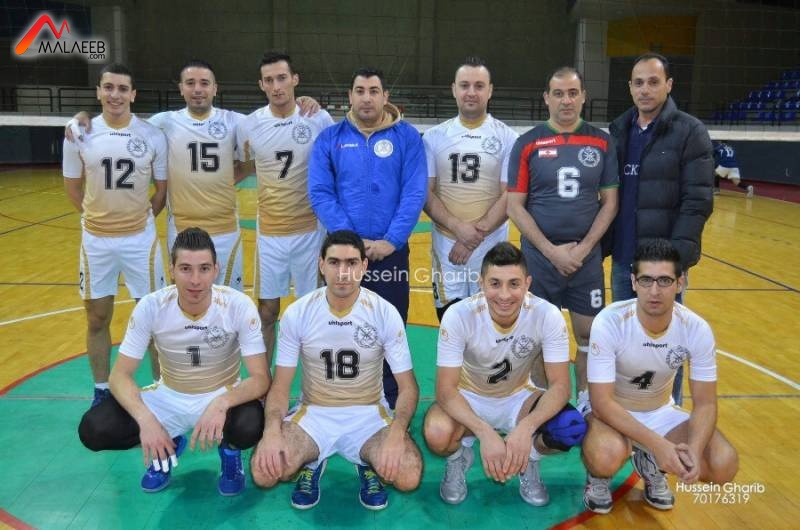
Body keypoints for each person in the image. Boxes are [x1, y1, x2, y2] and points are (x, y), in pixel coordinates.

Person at [77, 227, 271, 496]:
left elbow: (261, 378)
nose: (195, 280)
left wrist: (222, 403)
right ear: (171, 270)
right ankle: (167, 444)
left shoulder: (237, 305)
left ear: (216, 270)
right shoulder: (151, 306)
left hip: (220, 393)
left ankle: (230, 452)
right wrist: (147, 420)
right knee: (94, 429)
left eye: (204, 269)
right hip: (168, 397)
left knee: (251, 424)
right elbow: (119, 376)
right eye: (185, 269)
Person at [250, 230, 422, 511]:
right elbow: (280, 387)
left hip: (369, 414)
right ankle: (313, 460)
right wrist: (271, 430)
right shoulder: (299, 313)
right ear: (321, 265)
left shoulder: (383, 312)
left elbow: (408, 387)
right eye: (334, 262)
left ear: (364, 266)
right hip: (315, 413)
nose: (343, 273)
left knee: (409, 475)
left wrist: (396, 432)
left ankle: (365, 460)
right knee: (264, 472)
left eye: (351, 263)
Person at [581, 239, 738, 514]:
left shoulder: (696, 328)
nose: (654, 291)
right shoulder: (610, 321)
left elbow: (705, 404)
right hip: (610, 413)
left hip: (659, 412)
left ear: (680, 283)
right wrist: (659, 446)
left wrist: (693, 449)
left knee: (723, 464)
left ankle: (649, 461)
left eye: (665, 281)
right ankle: (599, 476)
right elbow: (602, 402)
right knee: (605, 456)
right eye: (646, 280)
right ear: (633, 282)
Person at [423, 242, 586, 506]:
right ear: (481, 283)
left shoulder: (546, 314)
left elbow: (560, 386)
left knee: (570, 427)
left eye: (514, 284)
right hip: (469, 397)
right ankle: (458, 458)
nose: (504, 295)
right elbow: (445, 390)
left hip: (518, 397)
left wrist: (527, 428)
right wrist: (484, 432)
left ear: (527, 283)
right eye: (495, 284)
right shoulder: (459, 315)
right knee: (436, 432)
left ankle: (528, 459)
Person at [308, 67, 427, 409]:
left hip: (390, 253)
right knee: (339, 325)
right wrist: (352, 244)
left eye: (374, 91)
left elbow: (414, 192)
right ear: (350, 96)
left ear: (385, 96)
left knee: (391, 327)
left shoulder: (408, 138)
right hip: (343, 256)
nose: (366, 98)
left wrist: (392, 240)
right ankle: (338, 394)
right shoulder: (330, 139)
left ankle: (389, 399)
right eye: (359, 91)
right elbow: (320, 193)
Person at [507, 67, 618, 408]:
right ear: (547, 98)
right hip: (539, 260)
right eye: (558, 93)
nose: (566, 100)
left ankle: (586, 402)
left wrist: (583, 250)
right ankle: (546, 404)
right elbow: (514, 205)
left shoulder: (602, 142)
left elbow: (610, 203)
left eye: (572, 93)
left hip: (586, 260)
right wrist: (551, 252)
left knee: (589, 335)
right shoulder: (527, 143)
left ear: (583, 96)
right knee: (539, 337)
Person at [607, 52, 714, 405]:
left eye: (653, 82)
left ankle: (670, 412)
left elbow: (698, 201)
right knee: (623, 343)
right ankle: (624, 415)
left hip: (662, 269)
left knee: (667, 345)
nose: (645, 89)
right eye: (638, 83)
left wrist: (674, 261)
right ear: (630, 87)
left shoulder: (690, 131)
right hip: (624, 260)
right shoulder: (619, 130)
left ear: (668, 85)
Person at [62, 63, 168, 408]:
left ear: (133, 94)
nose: (115, 95)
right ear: (98, 92)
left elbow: (161, 191)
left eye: (123, 88)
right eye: (108, 87)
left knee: (154, 321)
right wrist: (97, 219)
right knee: (96, 317)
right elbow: (72, 187)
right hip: (96, 241)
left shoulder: (151, 135)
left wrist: (137, 221)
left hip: (140, 240)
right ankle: (101, 391)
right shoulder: (79, 133)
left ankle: (161, 393)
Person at [238, 51, 334, 366]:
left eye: (282, 78)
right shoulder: (250, 125)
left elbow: (335, 166)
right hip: (270, 234)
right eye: (269, 80)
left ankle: (312, 384)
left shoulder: (318, 119)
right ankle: (263, 383)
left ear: (295, 79)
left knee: (311, 313)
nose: (276, 86)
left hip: (310, 231)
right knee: (267, 310)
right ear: (261, 85)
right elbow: (240, 168)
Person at [422, 57, 518, 321]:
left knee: (491, 322)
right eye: (465, 85)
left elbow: (510, 195)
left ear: (490, 90)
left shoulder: (508, 137)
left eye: (479, 86)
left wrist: (474, 237)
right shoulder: (433, 137)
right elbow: (426, 193)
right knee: (450, 321)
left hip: (491, 245)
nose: (471, 92)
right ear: (454, 89)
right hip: (447, 244)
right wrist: (458, 228)